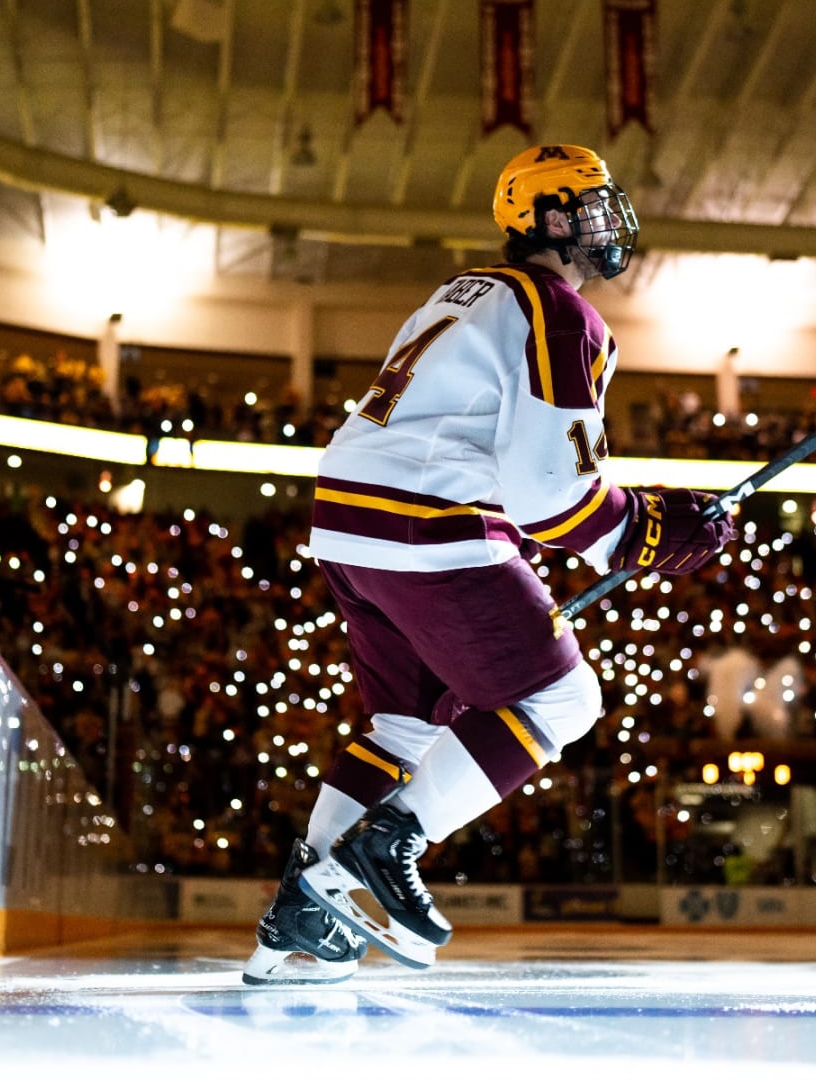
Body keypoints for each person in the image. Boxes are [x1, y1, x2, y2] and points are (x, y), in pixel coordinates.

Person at [242, 144, 736, 984]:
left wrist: (638, 521)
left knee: (403, 726)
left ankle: (298, 925)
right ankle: (384, 848)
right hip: (425, 520)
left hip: (351, 522)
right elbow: (554, 497)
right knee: (564, 695)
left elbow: (523, 479)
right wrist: (646, 532)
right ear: (545, 220)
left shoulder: (465, 292)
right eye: (588, 206)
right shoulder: (561, 314)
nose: (607, 221)